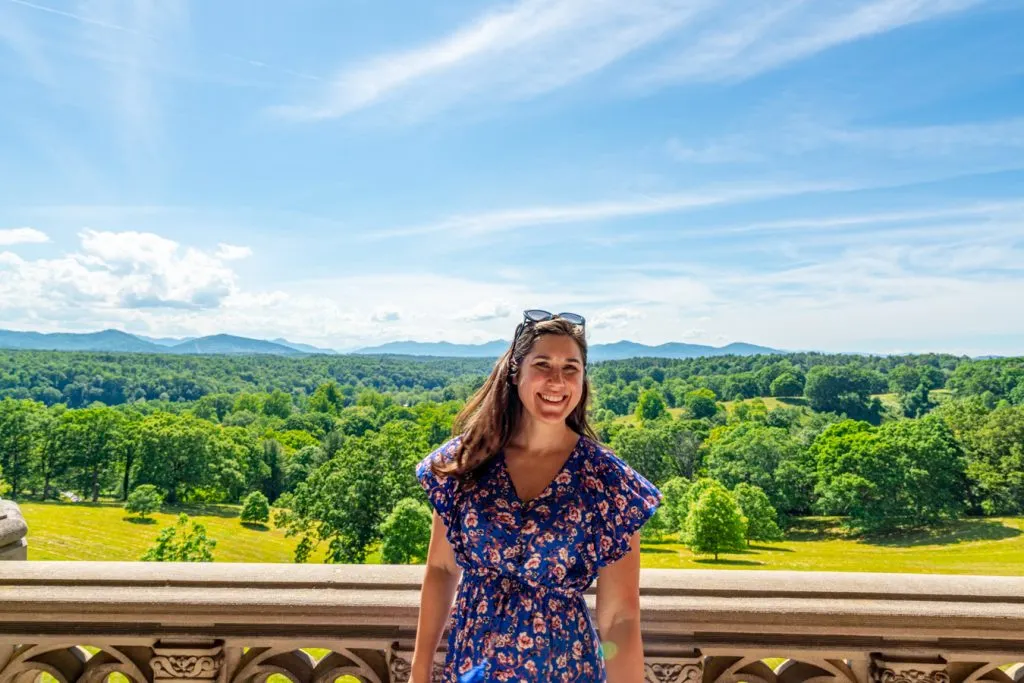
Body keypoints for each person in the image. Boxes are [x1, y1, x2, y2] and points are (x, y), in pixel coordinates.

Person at [410, 309, 663, 682]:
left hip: (564, 670)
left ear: (583, 378)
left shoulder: (608, 483)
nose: (557, 381)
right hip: (473, 666)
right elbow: (442, 569)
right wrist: (419, 672)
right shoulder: (466, 462)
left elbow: (619, 618)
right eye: (543, 364)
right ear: (516, 372)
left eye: (571, 367)